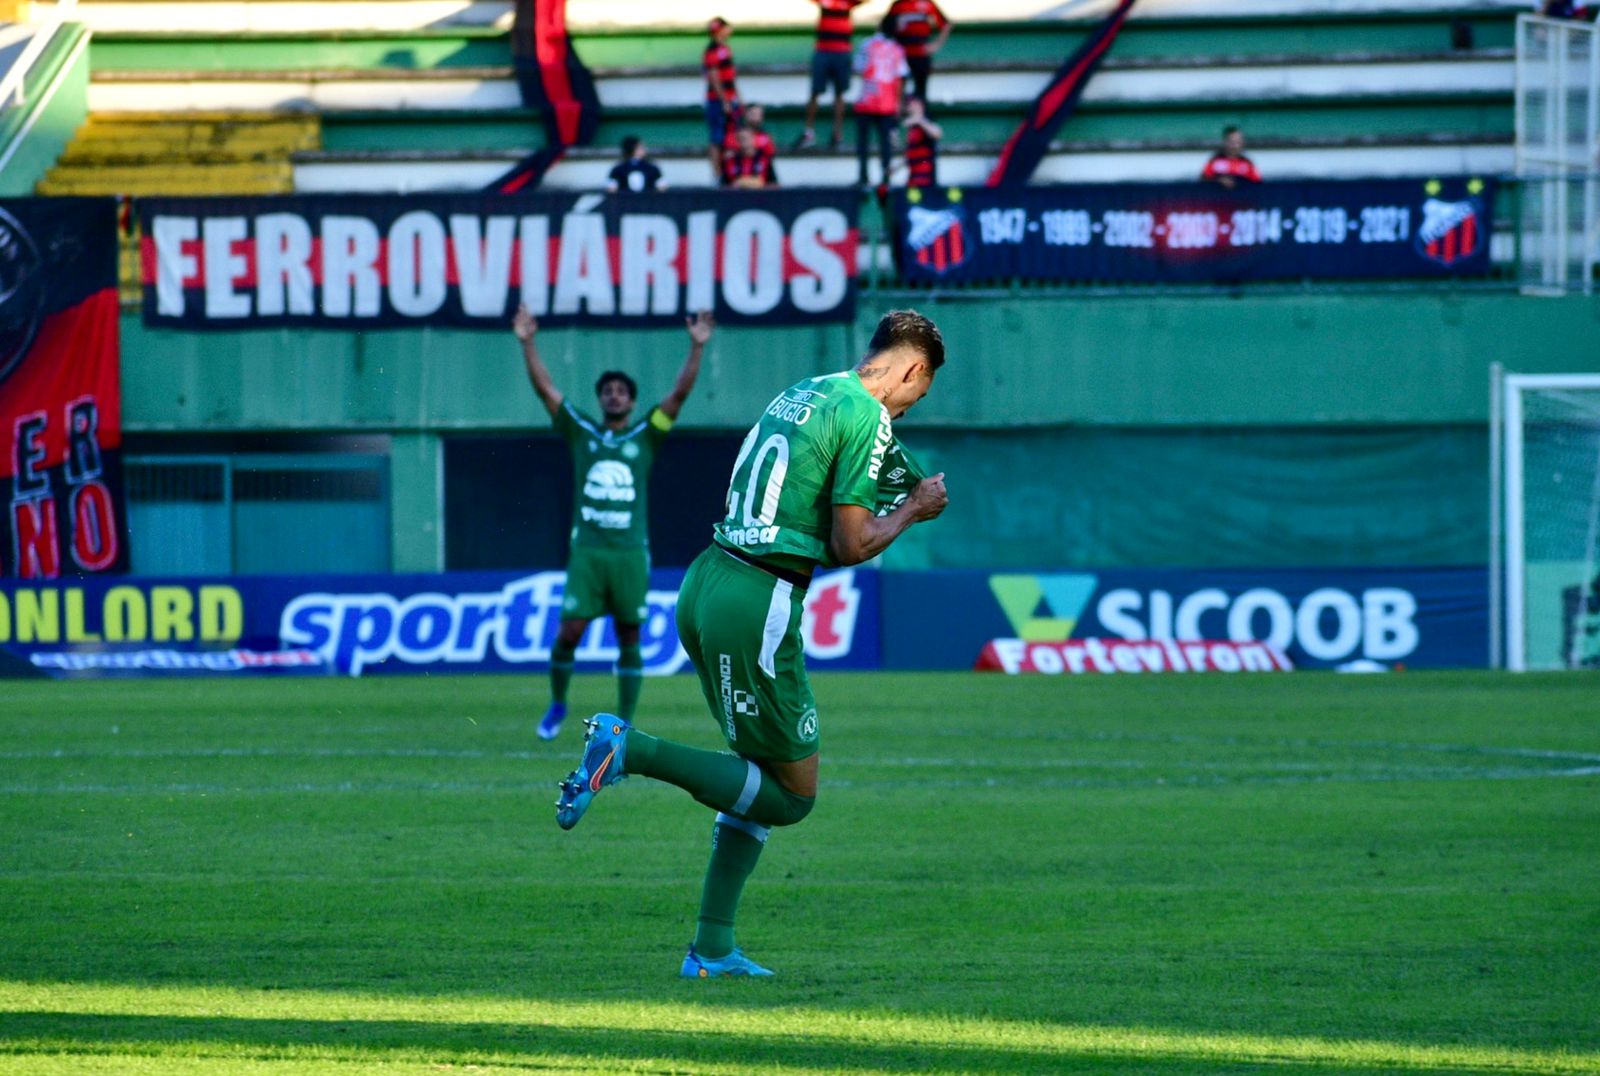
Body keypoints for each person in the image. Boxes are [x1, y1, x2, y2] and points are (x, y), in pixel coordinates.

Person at [553, 310, 951, 979]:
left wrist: (898, 492)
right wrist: (912, 510)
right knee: (793, 794)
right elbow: (849, 545)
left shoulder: (808, 390)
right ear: (914, 369)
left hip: (710, 578)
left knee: (754, 781)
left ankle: (711, 950)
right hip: (757, 599)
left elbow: (819, 507)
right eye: (922, 392)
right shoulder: (865, 415)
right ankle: (630, 749)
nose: (912, 408)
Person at [513, 304, 714, 740]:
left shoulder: (647, 433)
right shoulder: (580, 431)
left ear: (632, 400)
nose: (615, 394)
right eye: (608, 390)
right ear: (601, 398)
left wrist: (696, 348)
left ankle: (624, 723)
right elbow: (547, 391)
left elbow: (677, 397)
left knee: (628, 634)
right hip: (588, 550)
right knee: (569, 631)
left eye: (622, 390)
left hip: (628, 552)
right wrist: (527, 342)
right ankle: (558, 704)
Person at [795, 0, 865, 150]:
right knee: (815, 91)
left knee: (840, 94)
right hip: (823, 50)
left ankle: (837, 135)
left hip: (842, 51)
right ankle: (809, 133)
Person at [854, 17, 908, 189]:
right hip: (887, 103)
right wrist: (898, 102)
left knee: (863, 142)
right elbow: (899, 77)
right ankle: (885, 180)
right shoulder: (896, 49)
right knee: (886, 144)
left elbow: (858, 67)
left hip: (867, 100)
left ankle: (863, 177)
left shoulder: (867, 44)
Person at [887, 0, 951, 103]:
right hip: (901, 53)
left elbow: (946, 24)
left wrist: (936, 45)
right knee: (897, 88)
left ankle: (921, 114)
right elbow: (886, 27)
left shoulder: (928, 4)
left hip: (921, 52)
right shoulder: (898, 5)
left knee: (920, 89)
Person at [703, 17, 741, 178]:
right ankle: (717, 176)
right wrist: (724, 101)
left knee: (731, 137)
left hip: (729, 98)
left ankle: (729, 174)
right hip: (717, 100)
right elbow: (714, 78)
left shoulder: (724, 48)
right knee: (717, 138)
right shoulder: (711, 51)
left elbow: (730, 78)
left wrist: (737, 98)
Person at [902, 95, 941, 188]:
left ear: (920, 105)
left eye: (911, 104)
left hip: (925, 175)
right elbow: (911, 152)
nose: (909, 107)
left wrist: (919, 120)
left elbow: (937, 134)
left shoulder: (927, 121)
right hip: (913, 174)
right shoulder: (912, 128)